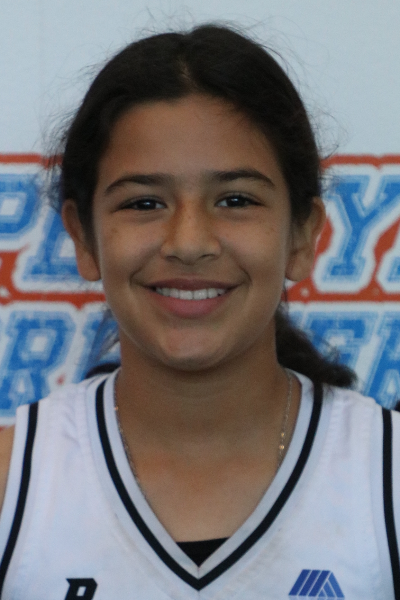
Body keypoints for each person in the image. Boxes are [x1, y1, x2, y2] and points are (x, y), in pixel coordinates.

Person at [0, 24, 398, 600]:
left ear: (302, 235)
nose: (189, 242)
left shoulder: (385, 477)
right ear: (83, 238)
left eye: (235, 200)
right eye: (144, 202)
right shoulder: (14, 482)